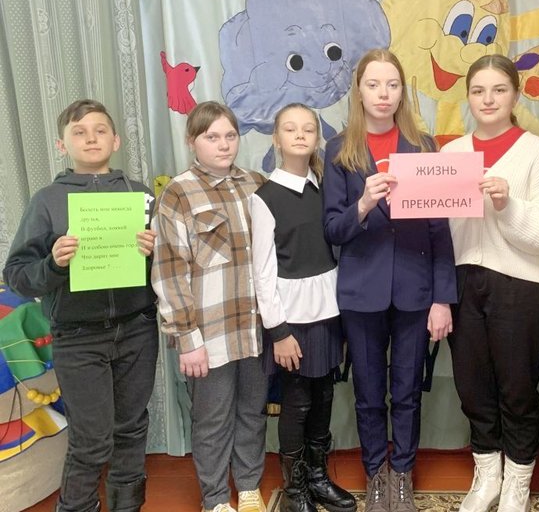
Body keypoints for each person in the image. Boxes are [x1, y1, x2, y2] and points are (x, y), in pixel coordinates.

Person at [3, 99, 159, 512]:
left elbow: (170, 272)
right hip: (77, 337)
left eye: (100, 130)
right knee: (91, 439)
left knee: (131, 427)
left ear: (116, 140)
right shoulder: (47, 201)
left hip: (138, 329)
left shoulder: (140, 195)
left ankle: (127, 505)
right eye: (79, 132)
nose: (91, 138)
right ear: (62, 145)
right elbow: (16, 274)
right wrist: (53, 264)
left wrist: (156, 253)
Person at [323, 49, 457, 512]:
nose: (383, 93)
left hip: (416, 292)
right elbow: (333, 229)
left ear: (403, 92)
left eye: (392, 85)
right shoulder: (339, 150)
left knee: (406, 391)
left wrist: (442, 298)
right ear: (359, 91)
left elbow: (440, 228)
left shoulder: (423, 146)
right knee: (367, 394)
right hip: (362, 293)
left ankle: (402, 475)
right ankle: (375, 474)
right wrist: (362, 204)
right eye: (374, 84)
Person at [442, 54, 539, 512]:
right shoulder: (450, 155)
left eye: (498, 90)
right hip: (463, 282)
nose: (488, 99)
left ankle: (518, 479)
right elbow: (438, 229)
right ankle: (487, 476)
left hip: (520, 287)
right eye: (478, 91)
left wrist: (508, 204)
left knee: (517, 388)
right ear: (467, 97)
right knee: (472, 386)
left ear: (515, 95)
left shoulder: (536, 152)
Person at [151, 101, 268, 512]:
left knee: (252, 411)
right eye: (212, 137)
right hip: (209, 333)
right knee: (213, 418)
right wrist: (187, 338)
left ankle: (249, 486)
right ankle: (216, 498)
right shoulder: (178, 193)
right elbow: (169, 271)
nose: (223, 145)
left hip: (254, 327)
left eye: (230, 136)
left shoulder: (255, 183)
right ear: (192, 142)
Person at [250, 103, 355, 512]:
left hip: (327, 313)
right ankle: (294, 491)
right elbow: (262, 271)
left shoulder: (324, 189)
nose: (299, 135)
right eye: (290, 129)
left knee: (324, 395)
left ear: (317, 138)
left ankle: (317, 477)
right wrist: (278, 332)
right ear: (276, 139)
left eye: (308, 129)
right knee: (298, 402)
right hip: (291, 321)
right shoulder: (265, 198)